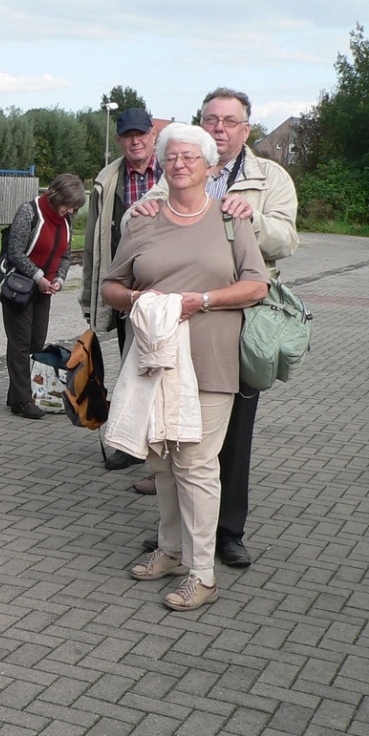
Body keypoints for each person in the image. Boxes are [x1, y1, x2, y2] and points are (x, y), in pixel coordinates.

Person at [102, 123, 269, 611]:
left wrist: (202, 301)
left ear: (209, 166)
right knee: (162, 461)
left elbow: (256, 285)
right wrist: (137, 298)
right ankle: (170, 551)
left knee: (195, 463)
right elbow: (112, 284)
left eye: (189, 158)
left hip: (212, 361)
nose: (179, 164)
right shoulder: (143, 219)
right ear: (161, 164)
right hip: (155, 361)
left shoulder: (229, 218)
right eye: (170, 157)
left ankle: (203, 573)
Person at [135, 89, 299, 563]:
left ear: (246, 129)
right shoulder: (180, 167)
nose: (220, 128)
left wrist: (254, 219)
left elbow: (287, 239)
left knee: (233, 432)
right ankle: (173, 536)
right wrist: (141, 211)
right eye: (212, 120)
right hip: (176, 319)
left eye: (230, 121)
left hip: (240, 318)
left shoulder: (270, 176)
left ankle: (227, 531)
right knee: (169, 428)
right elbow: (138, 219)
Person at [80, 109, 164, 474]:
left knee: (165, 369)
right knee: (132, 369)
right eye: (128, 135)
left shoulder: (173, 171)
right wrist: (91, 295)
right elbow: (93, 241)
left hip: (170, 286)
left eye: (141, 134)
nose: (135, 141)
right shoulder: (108, 179)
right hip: (125, 289)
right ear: (119, 140)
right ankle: (132, 445)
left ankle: (165, 450)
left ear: (153, 136)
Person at [0, 173, 85, 419]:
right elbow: (15, 252)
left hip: (43, 288)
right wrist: (39, 277)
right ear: (56, 196)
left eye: (74, 207)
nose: (70, 210)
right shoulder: (29, 212)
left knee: (36, 341)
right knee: (20, 343)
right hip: (20, 287)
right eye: (68, 204)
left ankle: (15, 392)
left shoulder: (66, 220)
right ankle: (22, 401)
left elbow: (66, 255)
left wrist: (59, 279)